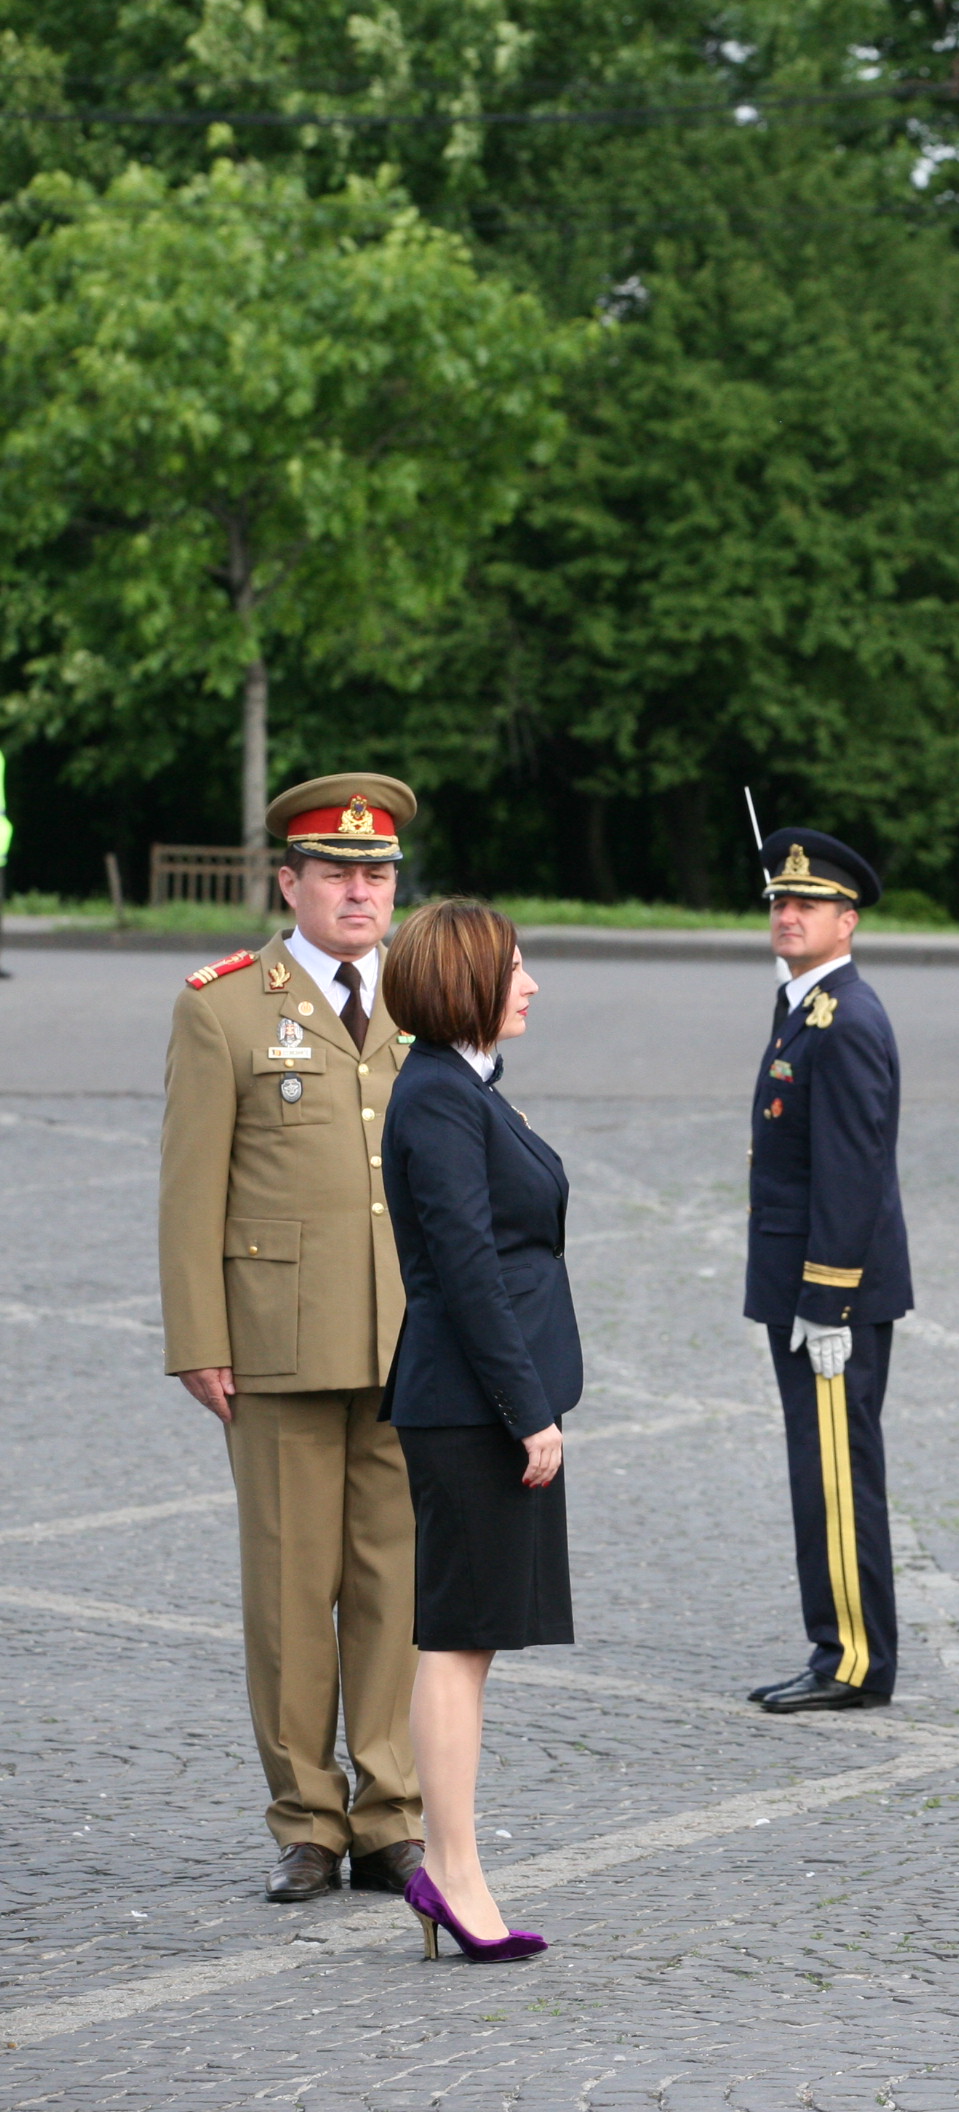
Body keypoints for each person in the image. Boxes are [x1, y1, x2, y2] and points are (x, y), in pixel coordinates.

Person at [158, 772, 423, 1902]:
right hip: (274, 1340)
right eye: (338, 874)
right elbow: (188, 1190)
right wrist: (197, 1338)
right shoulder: (223, 1005)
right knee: (287, 1585)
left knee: (393, 1586)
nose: (361, 893)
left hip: (409, 1341)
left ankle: (391, 1812)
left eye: (379, 875)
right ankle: (308, 1820)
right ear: (291, 882)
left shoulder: (424, 995)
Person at [376, 899, 570, 1964]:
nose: (531, 983)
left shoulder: (462, 1086)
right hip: (469, 1405)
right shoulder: (441, 1099)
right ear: (466, 984)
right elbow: (466, 1273)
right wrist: (527, 1408)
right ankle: (451, 1872)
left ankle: (455, 1867)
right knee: (456, 1641)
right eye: (515, 967)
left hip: (474, 1400)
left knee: (471, 1641)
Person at [743, 829, 913, 1714]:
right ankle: (837, 1644)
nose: (787, 913)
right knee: (822, 1468)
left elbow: (851, 1171)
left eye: (805, 903)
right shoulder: (806, 1005)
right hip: (809, 1286)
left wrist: (827, 1300)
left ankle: (851, 1657)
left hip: (829, 1296)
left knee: (838, 1473)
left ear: (847, 921)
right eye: (779, 900)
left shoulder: (842, 1020)